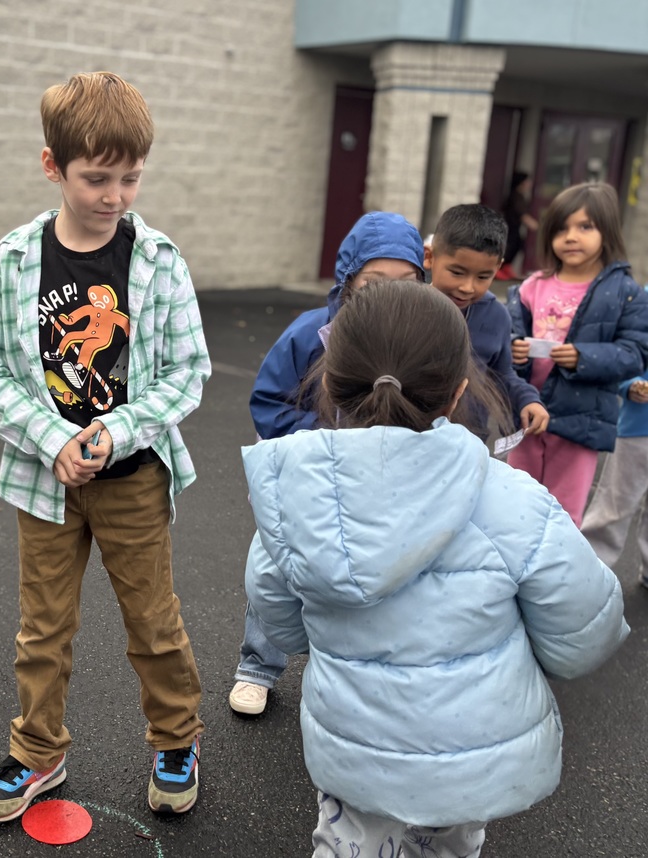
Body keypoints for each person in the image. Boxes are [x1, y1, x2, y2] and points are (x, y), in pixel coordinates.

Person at [243, 279, 628, 857]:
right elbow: (583, 636)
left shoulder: (293, 500)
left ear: (330, 384)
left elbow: (282, 622)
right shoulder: (515, 501)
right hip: (473, 762)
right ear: (458, 394)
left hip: (355, 749)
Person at [0, 71, 209, 823]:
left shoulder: (158, 260)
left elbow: (187, 373)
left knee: (152, 620)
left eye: (130, 178)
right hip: (44, 481)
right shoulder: (16, 258)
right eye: (96, 178)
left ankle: (176, 739)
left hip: (131, 477)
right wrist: (54, 438)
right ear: (52, 167)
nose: (115, 196)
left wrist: (115, 430)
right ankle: (39, 751)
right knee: (43, 627)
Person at [230, 211, 426, 716]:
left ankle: (345, 672)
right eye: (375, 282)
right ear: (349, 280)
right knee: (275, 568)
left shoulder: (418, 335)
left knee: (363, 581)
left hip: (379, 487)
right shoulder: (310, 333)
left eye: (406, 282)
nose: (389, 294)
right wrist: (318, 445)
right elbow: (269, 401)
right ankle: (258, 666)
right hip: (306, 478)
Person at [508, 181, 648, 526]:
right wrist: (515, 349)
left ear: (607, 231)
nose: (571, 237)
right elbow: (508, 336)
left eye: (585, 227)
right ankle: (512, 572)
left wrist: (583, 357)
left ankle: (554, 578)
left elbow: (634, 353)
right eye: (561, 228)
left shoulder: (625, 292)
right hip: (527, 412)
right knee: (514, 501)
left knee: (563, 513)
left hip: (580, 421)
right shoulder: (531, 286)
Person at [426, 203, 549, 436]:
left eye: (483, 276)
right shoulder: (406, 305)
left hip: (469, 440)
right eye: (457, 272)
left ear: (498, 268)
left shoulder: (497, 316)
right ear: (430, 257)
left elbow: (502, 375)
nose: (467, 287)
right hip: (410, 435)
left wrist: (528, 400)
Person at [581, 366, 648, 587]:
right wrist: (630, 385)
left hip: (637, 427)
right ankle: (585, 571)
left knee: (614, 505)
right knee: (614, 506)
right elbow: (621, 359)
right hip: (639, 428)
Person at [497, 171, 538, 280]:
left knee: (518, 245)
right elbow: (522, 214)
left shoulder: (521, 196)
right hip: (509, 228)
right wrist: (537, 226)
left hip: (515, 228)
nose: (530, 184)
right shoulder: (515, 196)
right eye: (528, 181)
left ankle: (506, 268)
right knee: (509, 248)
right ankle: (499, 269)